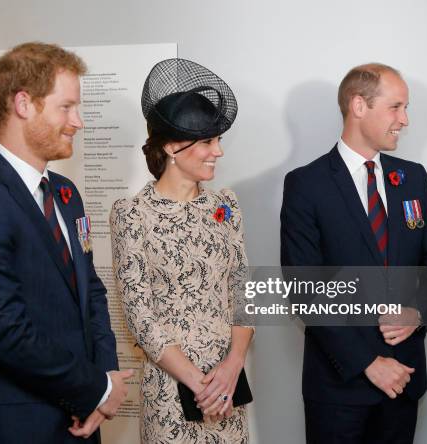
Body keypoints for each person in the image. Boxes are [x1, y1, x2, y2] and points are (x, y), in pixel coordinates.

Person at [0, 42, 133, 444]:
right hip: (16, 426)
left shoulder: (66, 193)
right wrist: (95, 389)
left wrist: (105, 377)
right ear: (23, 104)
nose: (78, 121)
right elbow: (6, 332)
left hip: (83, 419)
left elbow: (91, 291)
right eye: (66, 107)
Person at [280, 63, 427, 443]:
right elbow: (304, 290)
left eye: (405, 108)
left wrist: (418, 311)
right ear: (359, 106)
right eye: (396, 107)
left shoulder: (414, 178)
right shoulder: (305, 185)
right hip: (337, 389)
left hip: (403, 383)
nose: (405, 120)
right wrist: (368, 363)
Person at [110, 58, 254, 443]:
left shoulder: (226, 205)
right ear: (173, 146)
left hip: (229, 388)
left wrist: (231, 368)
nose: (218, 152)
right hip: (172, 393)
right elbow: (139, 316)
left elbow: (245, 290)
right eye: (208, 141)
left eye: (218, 140)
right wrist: (199, 384)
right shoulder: (132, 214)